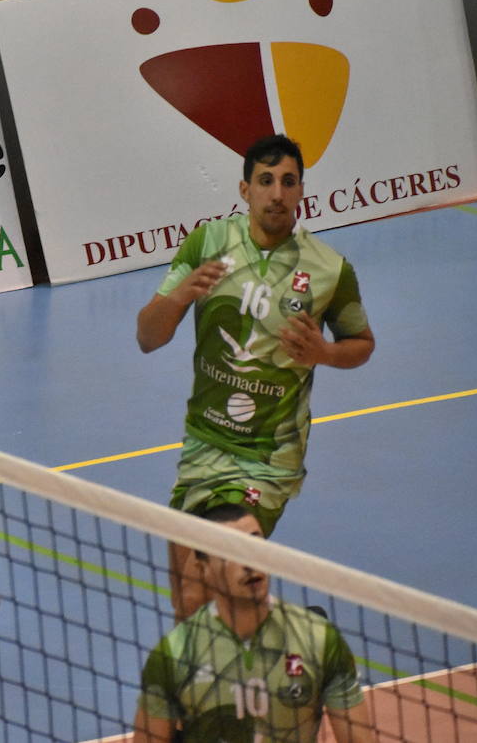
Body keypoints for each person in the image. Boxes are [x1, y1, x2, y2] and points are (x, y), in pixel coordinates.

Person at [136, 135, 375, 619]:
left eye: (288, 182)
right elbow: (148, 337)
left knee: (217, 587)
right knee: (188, 604)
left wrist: (324, 353)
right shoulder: (208, 245)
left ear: (301, 190)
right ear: (244, 190)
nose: (277, 194)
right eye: (265, 182)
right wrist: (180, 295)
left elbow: (362, 343)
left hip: (268, 458)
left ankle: (295, 657)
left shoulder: (330, 270)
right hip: (204, 444)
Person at [133, 505, 374, 743]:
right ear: (203, 568)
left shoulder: (318, 639)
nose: (248, 562)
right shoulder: (174, 655)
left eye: (253, 545)